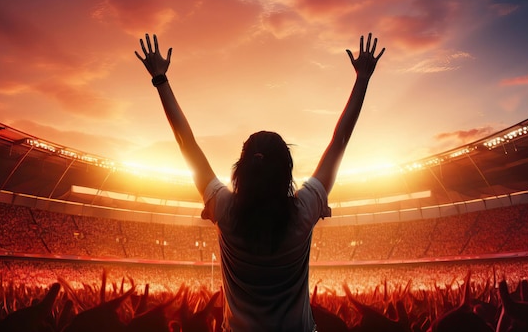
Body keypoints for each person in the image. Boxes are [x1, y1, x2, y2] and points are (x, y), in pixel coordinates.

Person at [135, 32, 385, 332]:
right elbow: (340, 141)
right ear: (287, 172)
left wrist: (160, 79)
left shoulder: (224, 209)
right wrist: (363, 78)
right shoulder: (303, 210)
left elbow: (186, 143)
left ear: (241, 169)